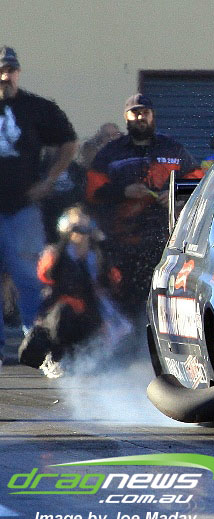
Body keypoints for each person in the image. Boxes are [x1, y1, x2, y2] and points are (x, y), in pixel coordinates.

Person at [87, 93, 203, 318]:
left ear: (153, 116)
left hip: (168, 242)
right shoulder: (110, 153)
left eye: (145, 112)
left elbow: (200, 184)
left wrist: (175, 195)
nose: (141, 117)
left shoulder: (173, 149)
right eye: (135, 113)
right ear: (126, 117)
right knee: (126, 302)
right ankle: (133, 338)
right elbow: (91, 193)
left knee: (166, 300)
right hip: (122, 244)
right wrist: (123, 192)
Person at [0, 46, 77, 359]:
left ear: (18, 73)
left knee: (30, 282)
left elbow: (69, 141)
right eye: (1, 70)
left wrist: (49, 180)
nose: (5, 76)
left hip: (22, 210)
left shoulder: (36, 108)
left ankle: (38, 351)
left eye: (10, 70)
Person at [18, 205, 124, 378]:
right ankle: (55, 357)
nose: (80, 233)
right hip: (59, 310)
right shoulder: (56, 253)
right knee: (63, 314)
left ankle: (88, 360)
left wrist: (102, 245)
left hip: (90, 308)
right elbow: (47, 275)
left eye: (83, 228)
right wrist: (63, 245)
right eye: (75, 228)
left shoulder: (96, 255)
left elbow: (112, 281)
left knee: (107, 324)